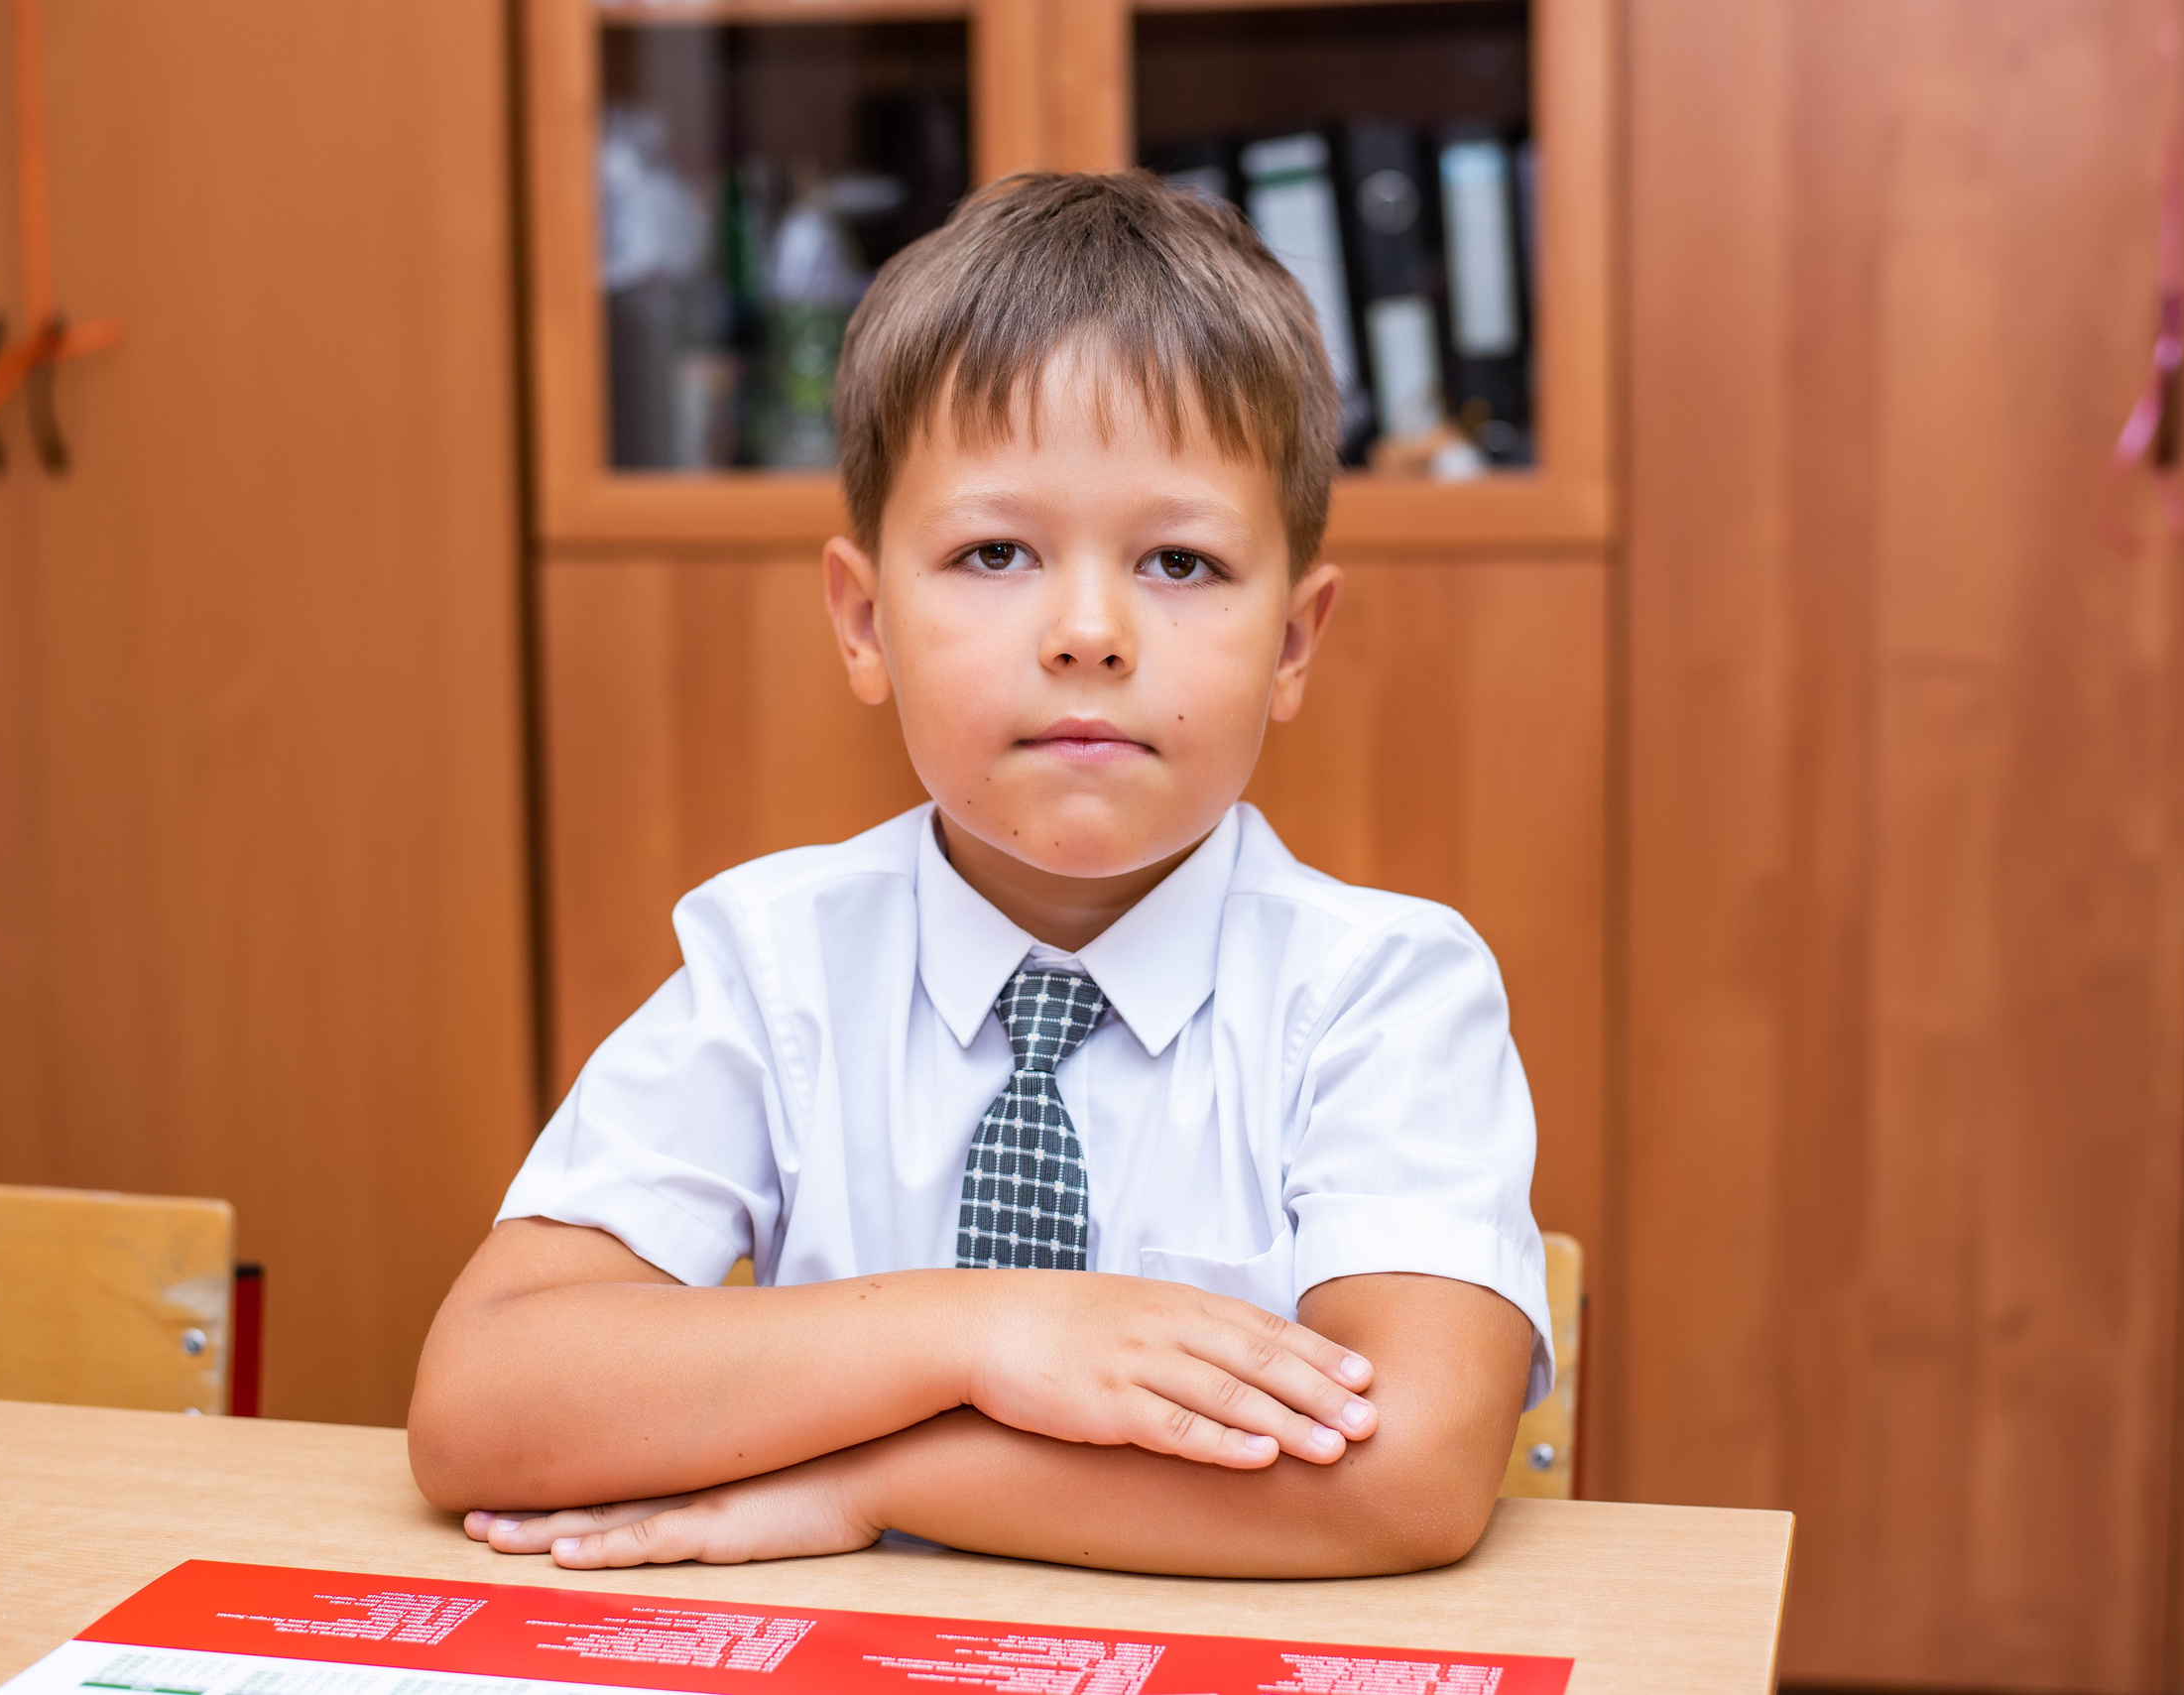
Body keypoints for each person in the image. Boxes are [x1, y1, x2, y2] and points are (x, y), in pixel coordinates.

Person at [407, 171, 1553, 1579]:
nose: (1089, 631)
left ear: (1294, 642)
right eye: (995, 551)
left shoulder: (1386, 994)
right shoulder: (774, 964)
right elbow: (482, 1403)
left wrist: (877, 1478)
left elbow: (1410, 1477)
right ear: (863, 619)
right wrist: (985, 1329)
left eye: (1180, 560)